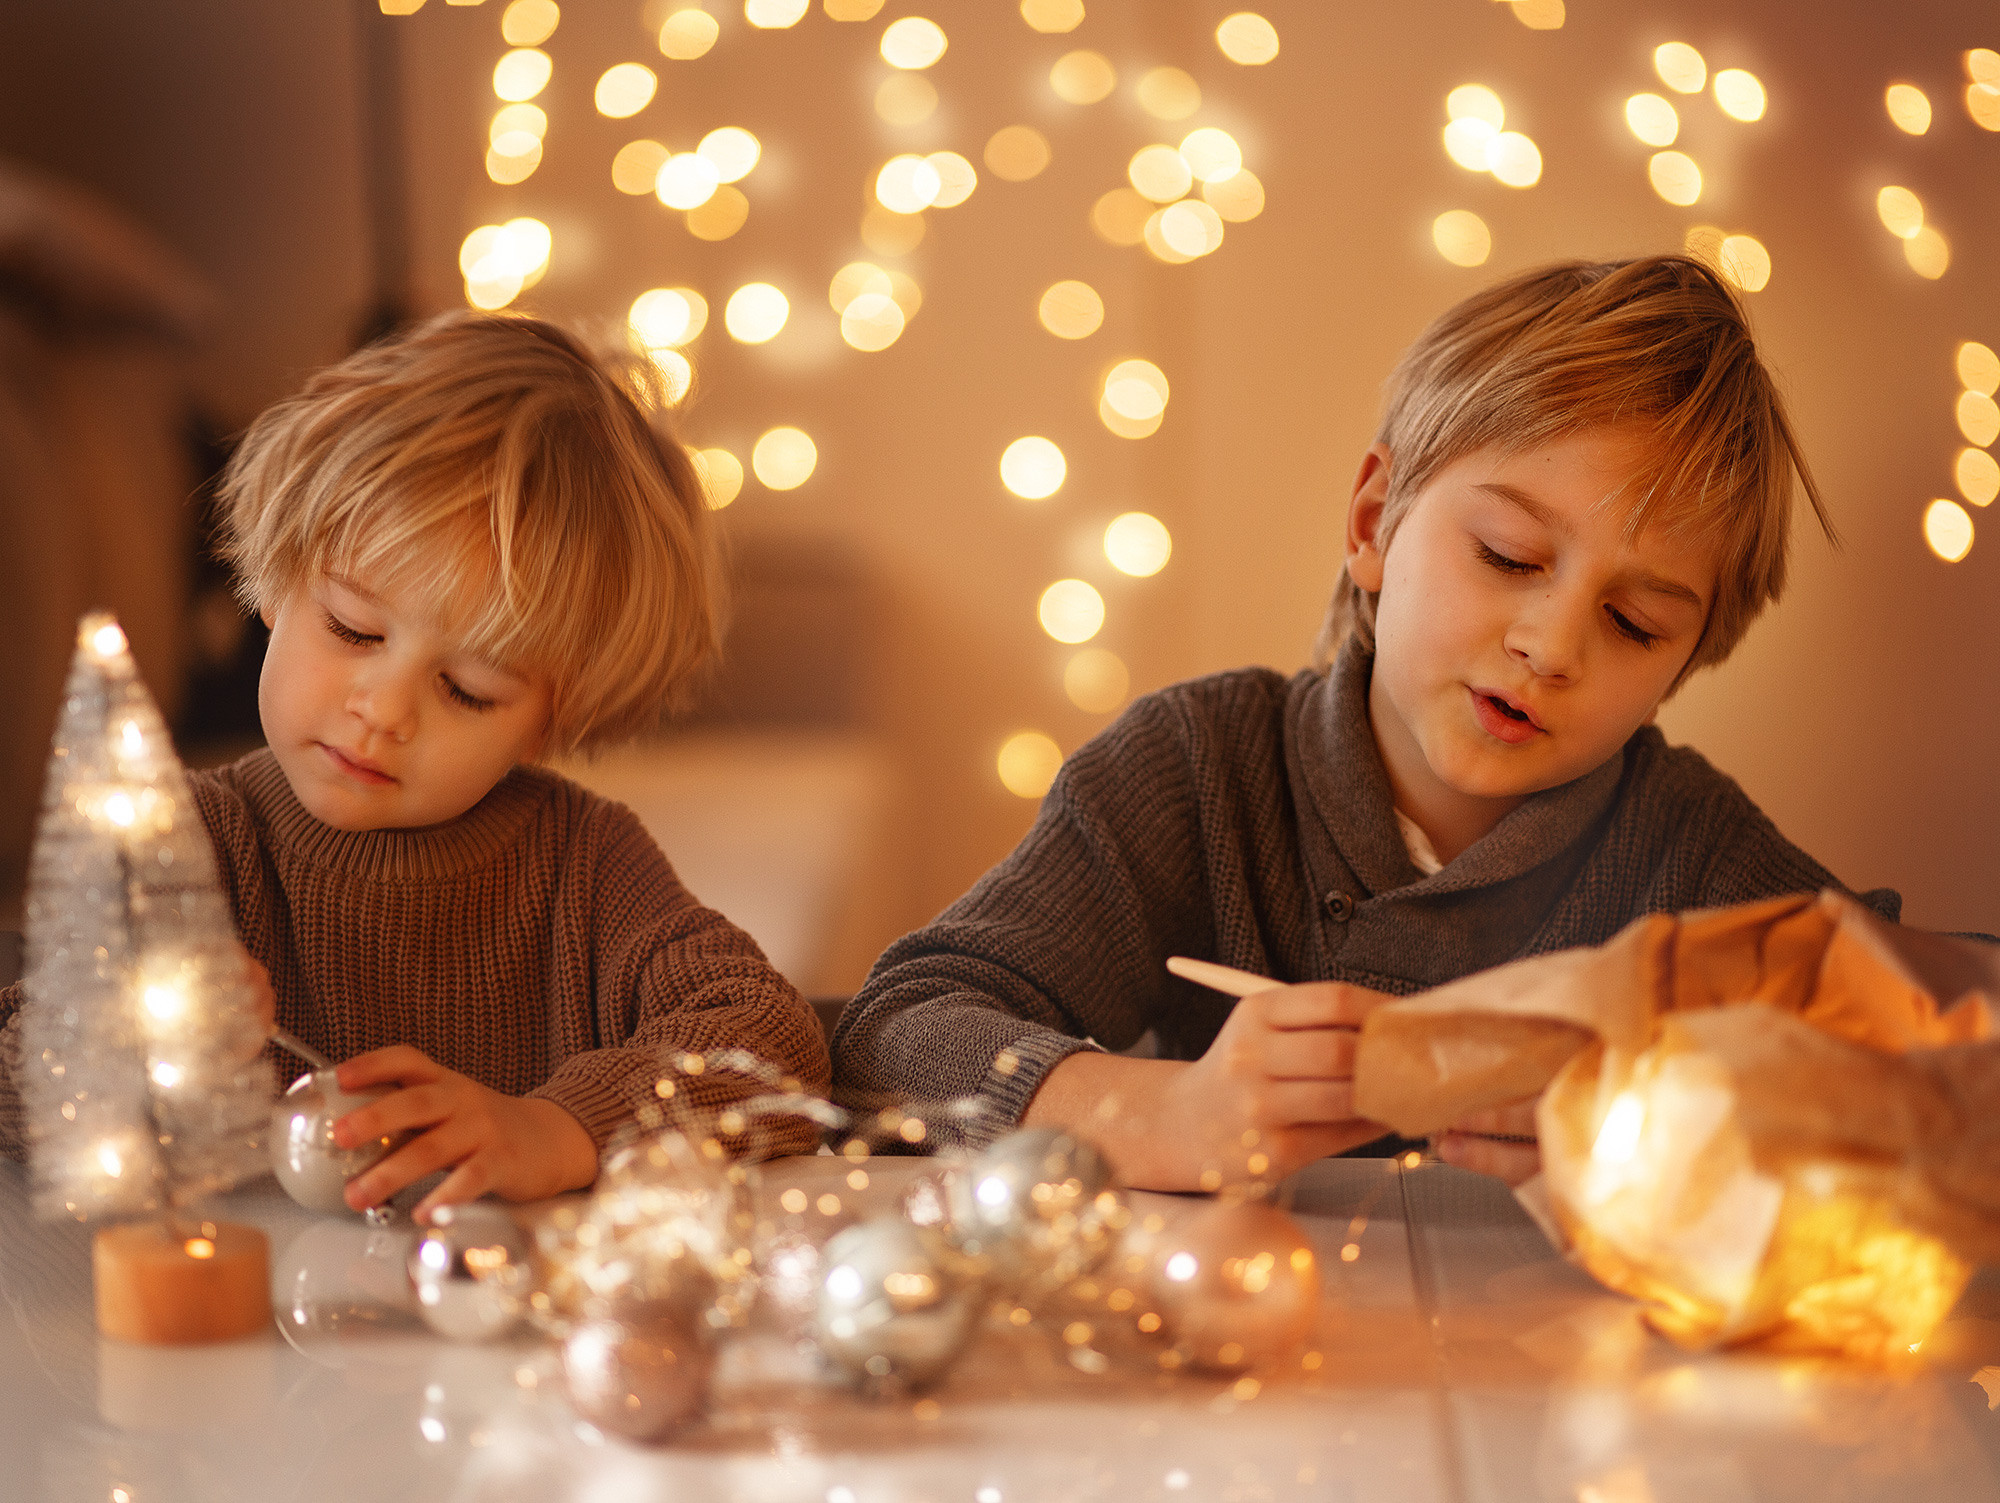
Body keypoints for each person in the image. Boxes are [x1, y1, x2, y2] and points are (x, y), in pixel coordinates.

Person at [832, 255, 1902, 1193]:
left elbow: (1925, 1061)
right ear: (1371, 525)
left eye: (1631, 623)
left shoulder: (1687, 856)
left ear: (1681, 666)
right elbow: (896, 1029)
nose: (1551, 646)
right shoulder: (1197, 771)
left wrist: (1663, 1133)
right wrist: (1164, 1115)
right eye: (1507, 558)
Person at [0, 312, 829, 1220]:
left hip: (518, 1338)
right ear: (277, 582)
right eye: (354, 630)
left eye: (468, 689)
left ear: (550, 723)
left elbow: (772, 1042)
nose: (384, 710)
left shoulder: (586, 865)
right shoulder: (186, 842)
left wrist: (556, 1129)